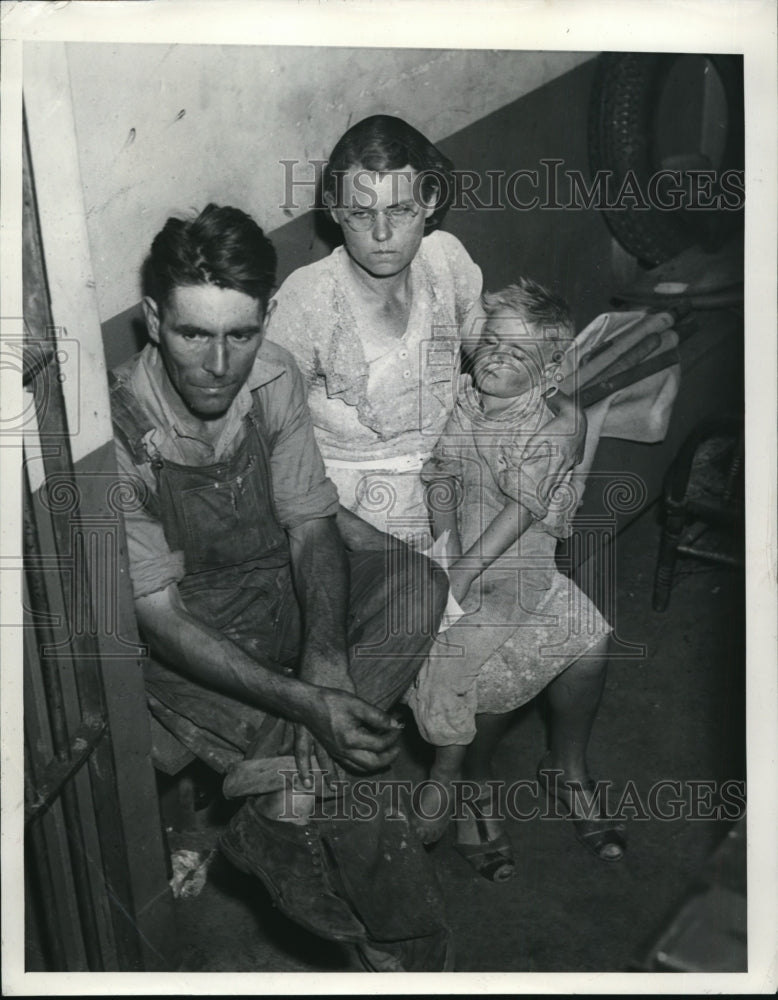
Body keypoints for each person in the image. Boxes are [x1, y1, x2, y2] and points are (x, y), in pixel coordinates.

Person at [109, 203, 453, 971]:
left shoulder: (273, 377)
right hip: (186, 635)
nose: (219, 364)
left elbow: (309, 526)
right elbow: (157, 618)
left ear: (265, 318)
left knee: (418, 584)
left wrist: (326, 664)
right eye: (194, 333)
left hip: (277, 587)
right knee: (358, 779)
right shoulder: (122, 436)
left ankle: (276, 803)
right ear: (153, 318)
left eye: (240, 333)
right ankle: (405, 953)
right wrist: (312, 703)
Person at [266, 116, 598, 876]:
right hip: (354, 512)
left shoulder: (446, 261)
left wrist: (563, 402)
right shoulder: (307, 301)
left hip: (463, 484)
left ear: (432, 203)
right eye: (359, 211)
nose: (382, 232)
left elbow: (499, 358)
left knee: (583, 636)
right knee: (443, 640)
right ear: (331, 207)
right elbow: (275, 445)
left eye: (403, 209)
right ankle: (456, 784)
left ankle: (565, 767)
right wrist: (348, 529)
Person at [415, 277, 625, 871]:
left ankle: (448, 772)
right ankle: (470, 779)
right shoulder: (465, 402)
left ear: (549, 373)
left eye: (520, 351)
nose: (498, 355)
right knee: (428, 640)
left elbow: (524, 507)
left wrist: (461, 572)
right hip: (460, 554)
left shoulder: (547, 425)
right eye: (492, 340)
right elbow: (443, 474)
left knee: (457, 654)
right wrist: (443, 542)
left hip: (516, 571)